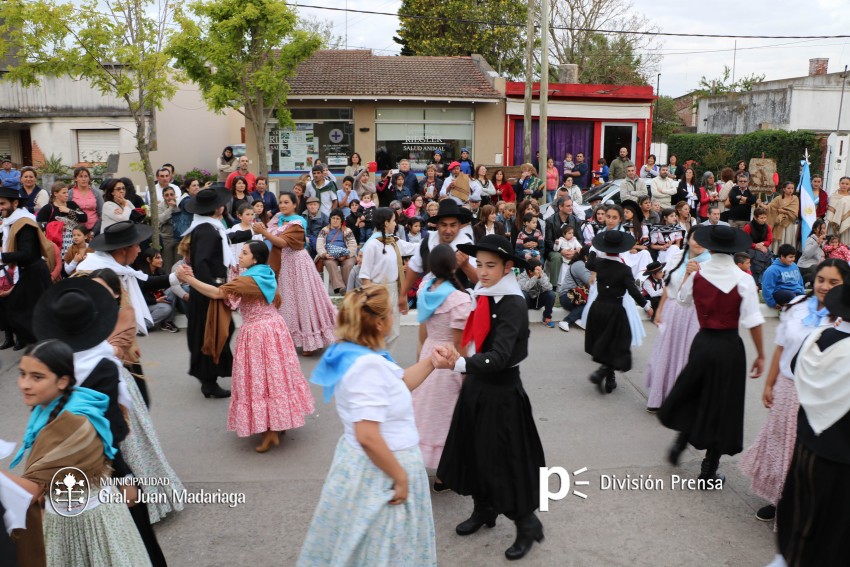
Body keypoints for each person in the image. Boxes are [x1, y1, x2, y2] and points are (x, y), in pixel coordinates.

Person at [298, 285, 454, 566]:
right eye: (391, 312)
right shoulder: (366, 366)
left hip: (376, 465)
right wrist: (400, 476)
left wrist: (431, 362)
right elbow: (368, 435)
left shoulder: (360, 354)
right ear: (380, 322)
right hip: (380, 471)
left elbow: (399, 383)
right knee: (382, 551)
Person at [436, 234, 547, 561]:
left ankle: (526, 524)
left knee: (505, 461)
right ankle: (484, 510)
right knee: (473, 451)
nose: (482, 272)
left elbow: (499, 356)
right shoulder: (485, 293)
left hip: (501, 392)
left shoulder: (512, 302)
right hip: (477, 387)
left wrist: (458, 362)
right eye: (479, 265)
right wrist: (461, 360)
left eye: (490, 266)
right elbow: (475, 340)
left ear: (507, 267)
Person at [1, 339, 151, 567]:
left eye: (37, 377)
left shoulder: (71, 424)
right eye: (23, 374)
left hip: (88, 525)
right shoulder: (60, 404)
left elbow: (31, 492)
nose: (25, 384)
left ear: (62, 380)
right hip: (70, 514)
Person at [740, 259, 849, 524]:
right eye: (821, 280)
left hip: (821, 399)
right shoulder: (797, 306)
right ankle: (778, 500)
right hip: (787, 390)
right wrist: (769, 383)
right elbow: (781, 347)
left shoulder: (844, 320)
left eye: (834, 282)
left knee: (804, 453)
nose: (825, 287)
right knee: (780, 445)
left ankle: (799, 507)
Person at [178, 241, 315, 452]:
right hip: (273, 329)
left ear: (255, 258)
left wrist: (189, 279)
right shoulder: (264, 273)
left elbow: (218, 293)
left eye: (244, 253)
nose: (239, 256)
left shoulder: (250, 280)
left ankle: (271, 431)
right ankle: (279, 422)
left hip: (258, 333)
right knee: (276, 377)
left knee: (262, 380)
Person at [660, 224, 766, 487]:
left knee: (696, 392)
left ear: (710, 245)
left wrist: (689, 275)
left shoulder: (699, 274)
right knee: (723, 405)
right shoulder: (743, 279)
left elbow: (682, 301)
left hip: (703, 341)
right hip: (729, 345)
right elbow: (753, 321)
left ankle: (680, 442)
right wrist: (761, 354)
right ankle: (709, 470)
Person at [774, 282, 850, 566]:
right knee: (832, 533)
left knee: (801, 513)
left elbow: (794, 369)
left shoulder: (818, 335)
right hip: (842, 460)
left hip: (807, 444)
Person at [175, 187, 252, 397]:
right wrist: (213, 288)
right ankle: (208, 380)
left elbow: (226, 240)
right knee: (213, 333)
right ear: (216, 208)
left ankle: (209, 376)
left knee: (216, 331)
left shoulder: (209, 227)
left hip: (209, 288)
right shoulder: (207, 230)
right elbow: (202, 262)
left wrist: (253, 231)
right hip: (209, 290)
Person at [412, 245, 472, 481]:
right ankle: (444, 474)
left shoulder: (424, 291)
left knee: (424, 412)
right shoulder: (458, 299)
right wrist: (466, 372)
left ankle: (418, 461)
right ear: (454, 266)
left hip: (429, 354)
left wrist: (420, 360)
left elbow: (422, 333)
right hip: (448, 359)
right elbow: (460, 343)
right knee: (447, 414)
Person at [253, 191, 337, 356]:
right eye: (281, 202)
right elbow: (268, 235)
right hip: (283, 265)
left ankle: (312, 342)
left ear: (294, 204)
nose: (283, 205)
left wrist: (264, 232)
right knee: (289, 302)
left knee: (305, 301)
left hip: (298, 265)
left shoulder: (298, 223)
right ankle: (292, 339)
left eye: (286, 202)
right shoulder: (278, 218)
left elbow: (282, 242)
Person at [645, 227, 710, 412]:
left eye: (702, 239)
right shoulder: (677, 256)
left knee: (687, 356)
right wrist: (660, 310)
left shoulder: (710, 263)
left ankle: (681, 400)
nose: (697, 243)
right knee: (666, 353)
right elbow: (668, 285)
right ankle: (660, 397)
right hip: (672, 311)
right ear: (688, 238)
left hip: (694, 314)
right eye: (694, 238)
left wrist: (691, 274)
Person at [584, 231, 652, 394]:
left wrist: (594, 248)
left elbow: (589, 264)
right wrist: (646, 306)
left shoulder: (599, 264)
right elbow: (634, 291)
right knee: (618, 344)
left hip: (598, 308)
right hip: (614, 310)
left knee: (607, 343)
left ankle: (609, 379)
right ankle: (603, 374)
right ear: (621, 249)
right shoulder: (624, 269)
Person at [400, 199, 477, 314]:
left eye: (453, 225)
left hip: (456, 309)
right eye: (444, 225)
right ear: (437, 224)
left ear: (459, 225)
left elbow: (479, 280)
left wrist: (466, 266)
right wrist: (402, 294)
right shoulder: (426, 241)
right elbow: (415, 268)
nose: (448, 230)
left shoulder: (466, 245)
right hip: (428, 305)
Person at [0, 186, 54, 349]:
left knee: (32, 312)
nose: (0, 207)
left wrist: (2, 256)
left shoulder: (25, 223)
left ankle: (43, 347)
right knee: (16, 309)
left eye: (2, 203)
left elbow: (27, 254)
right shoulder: (9, 222)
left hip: (34, 273)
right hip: (23, 272)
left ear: (15, 203)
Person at [358, 207, 418, 345]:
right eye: (393, 221)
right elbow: (365, 274)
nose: (395, 224)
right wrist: (370, 298)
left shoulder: (394, 243)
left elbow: (415, 247)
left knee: (393, 330)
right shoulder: (372, 245)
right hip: (377, 291)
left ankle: (384, 360)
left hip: (394, 290)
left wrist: (433, 241)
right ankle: (377, 359)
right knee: (377, 329)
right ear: (385, 223)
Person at [36, 181, 88, 257]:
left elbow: (84, 218)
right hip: (56, 244)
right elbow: (40, 226)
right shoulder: (48, 208)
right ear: (55, 194)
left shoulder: (72, 205)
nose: (67, 195)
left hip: (74, 243)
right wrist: (57, 226)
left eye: (67, 192)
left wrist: (69, 211)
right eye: (64, 193)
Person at [316, 209, 358, 295]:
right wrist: (325, 254)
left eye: (338, 218)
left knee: (349, 264)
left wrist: (346, 256)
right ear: (330, 219)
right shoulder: (324, 230)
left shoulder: (347, 231)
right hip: (330, 255)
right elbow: (319, 245)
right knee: (330, 263)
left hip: (346, 255)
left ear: (341, 220)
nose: (335, 220)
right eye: (333, 218)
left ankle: (348, 289)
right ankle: (341, 287)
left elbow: (353, 246)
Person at [543, 196, 581, 285]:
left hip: (572, 249)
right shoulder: (550, 221)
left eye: (571, 205)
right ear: (560, 207)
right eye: (568, 206)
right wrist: (561, 251)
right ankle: (554, 285)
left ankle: (577, 284)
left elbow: (580, 239)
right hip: (555, 250)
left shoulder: (576, 220)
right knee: (556, 257)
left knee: (582, 254)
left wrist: (575, 251)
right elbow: (548, 241)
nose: (571, 207)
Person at [557, 245, 591, 332]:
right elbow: (591, 283)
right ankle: (566, 321)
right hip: (567, 296)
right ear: (586, 256)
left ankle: (579, 319)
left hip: (578, 295)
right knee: (591, 303)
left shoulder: (584, 264)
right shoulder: (580, 265)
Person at [762, 244, 805, 308]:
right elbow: (767, 289)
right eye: (790, 257)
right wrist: (773, 304)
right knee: (791, 296)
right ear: (782, 256)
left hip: (795, 292)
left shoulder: (794, 266)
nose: (793, 259)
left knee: (806, 299)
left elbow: (800, 281)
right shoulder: (772, 270)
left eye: (794, 256)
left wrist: (802, 291)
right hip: (782, 294)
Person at [518, 258, 556, 327]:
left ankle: (547, 317)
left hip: (538, 301)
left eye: (540, 268)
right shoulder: (523, 276)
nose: (540, 271)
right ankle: (521, 319)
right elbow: (525, 288)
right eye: (538, 269)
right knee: (523, 294)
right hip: (527, 302)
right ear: (530, 271)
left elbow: (549, 287)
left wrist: (540, 278)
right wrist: (535, 277)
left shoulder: (542, 274)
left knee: (551, 294)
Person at [68, 166, 104, 233]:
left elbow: (102, 214)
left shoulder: (96, 193)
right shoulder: (69, 193)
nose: (83, 179)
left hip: (94, 230)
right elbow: (66, 212)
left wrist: (94, 232)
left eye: (86, 176)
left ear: (89, 178)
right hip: (75, 232)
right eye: (80, 176)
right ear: (75, 178)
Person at [742, 207, 773, 286]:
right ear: (755, 218)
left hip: (763, 247)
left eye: (765, 218)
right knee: (756, 265)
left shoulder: (767, 227)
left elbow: (769, 240)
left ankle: (762, 281)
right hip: (750, 248)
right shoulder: (748, 227)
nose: (763, 220)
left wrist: (762, 244)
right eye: (761, 218)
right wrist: (755, 246)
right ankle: (755, 282)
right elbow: (744, 240)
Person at [768, 181, 800, 254]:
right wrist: (761, 204)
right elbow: (770, 207)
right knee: (779, 240)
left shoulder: (795, 199)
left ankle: (788, 254)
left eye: (792, 188)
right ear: (784, 189)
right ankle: (776, 253)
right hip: (779, 223)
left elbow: (794, 212)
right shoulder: (778, 198)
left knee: (788, 238)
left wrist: (785, 212)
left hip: (789, 222)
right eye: (788, 188)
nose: (791, 190)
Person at [798, 218, 826, 283]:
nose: (823, 230)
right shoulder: (810, 239)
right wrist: (817, 243)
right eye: (820, 228)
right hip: (804, 266)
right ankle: (806, 281)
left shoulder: (824, 240)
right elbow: (807, 254)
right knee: (817, 270)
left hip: (815, 265)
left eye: (824, 228)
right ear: (814, 230)